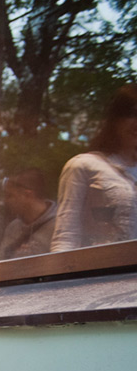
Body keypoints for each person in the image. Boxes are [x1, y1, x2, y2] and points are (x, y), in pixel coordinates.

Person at [51, 84, 137, 252]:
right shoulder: (84, 165)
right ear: (115, 119)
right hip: (102, 268)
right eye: (133, 114)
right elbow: (66, 237)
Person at [0, 168, 56, 259]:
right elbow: (0, 261)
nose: (5, 201)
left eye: (10, 196)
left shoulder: (59, 225)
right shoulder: (13, 228)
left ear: (28, 195)